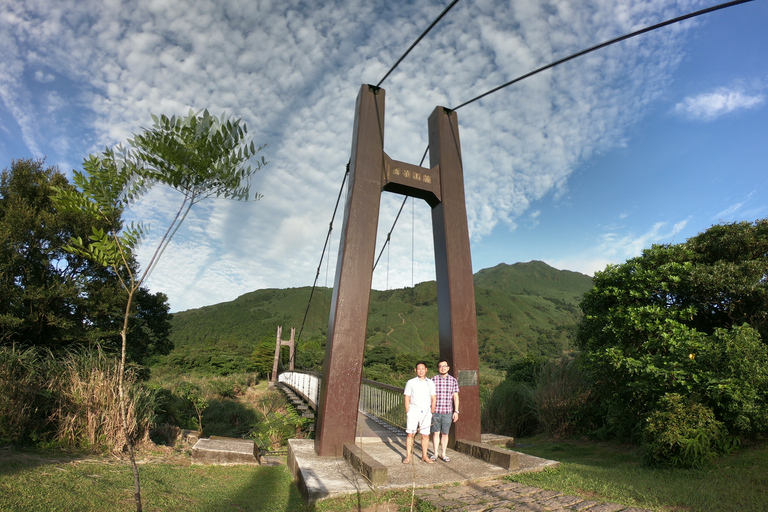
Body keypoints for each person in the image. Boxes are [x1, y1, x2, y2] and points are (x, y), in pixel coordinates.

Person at [402, 361, 436, 464]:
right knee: (410, 434)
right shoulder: (411, 382)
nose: (421, 371)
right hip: (413, 411)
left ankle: (424, 455)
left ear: (426, 370)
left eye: (423, 369)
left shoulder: (430, 382)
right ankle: (408, 456)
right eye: (418, 369)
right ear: (415, 370)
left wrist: (431, 411)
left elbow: (433, 398)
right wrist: (408, 411)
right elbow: (407, 397)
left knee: (425, 435)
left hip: (426, 412)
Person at [430, 359, 459, 462]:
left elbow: (455, 397)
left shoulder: (453, 380)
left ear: (448, 367)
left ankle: (443, 454)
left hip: (448, 411)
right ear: (438, 368)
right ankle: (435, 453)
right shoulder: (432, 380)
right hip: (435, 411)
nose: (442, 368)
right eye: (440, 366)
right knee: (435, 433)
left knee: (445, 433)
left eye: (444, 366)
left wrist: (456, 411)